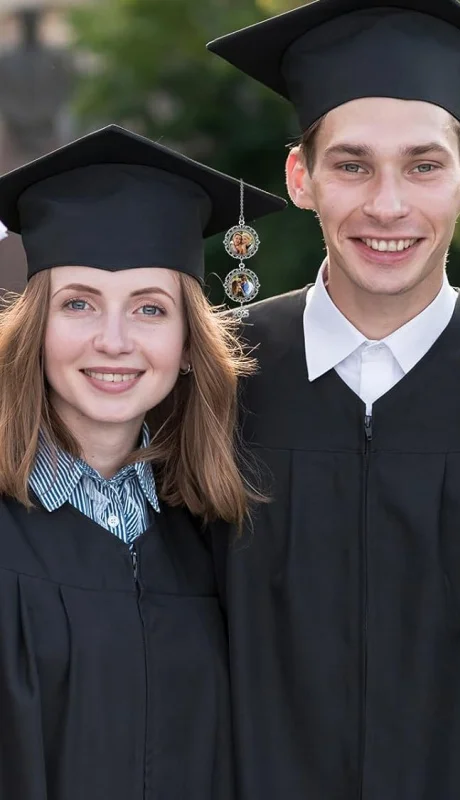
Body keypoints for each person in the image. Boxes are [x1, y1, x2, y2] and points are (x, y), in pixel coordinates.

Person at [207, 1, 460, 798]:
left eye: (423, 166)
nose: (387, 206)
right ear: (301, 177)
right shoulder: (215, 376)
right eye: (352, 165)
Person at [0, 124, 284, 799]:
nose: (114, 340)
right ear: (36, 329)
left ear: (188, 343)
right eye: (79, 304)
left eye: (150, 309)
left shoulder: (209, 541)